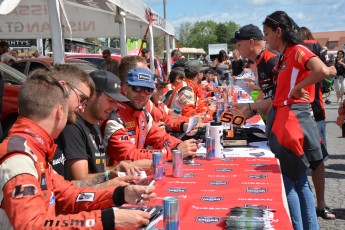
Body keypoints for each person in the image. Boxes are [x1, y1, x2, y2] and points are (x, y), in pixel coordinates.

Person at [0, 70, 156, 229]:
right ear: (60, 111)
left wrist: (120, 194)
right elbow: (33, 226)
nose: (81, 108)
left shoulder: (34, 148)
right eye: (81, 100)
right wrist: (106, 220)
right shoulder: (20, 157)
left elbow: (68, 194)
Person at [263, 11, 337, 229]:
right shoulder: (287, 54)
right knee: (299, 181)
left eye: (267, 33)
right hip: (285, 119)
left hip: (291, 121)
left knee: (291, 183)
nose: (265, 38)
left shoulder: (297, 51)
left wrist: (298, 88)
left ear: (279, 31)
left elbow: (322, 70)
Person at [57, 69, 149, 181]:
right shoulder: (73, 126)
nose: (115, 108)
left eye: (116, 102)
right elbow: (81, 178)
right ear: (92, 96)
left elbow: (97, 169)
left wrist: (120, 168)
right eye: (110, 101)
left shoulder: (95, 123)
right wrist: (111, 173)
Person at [103, 58, 197, 165]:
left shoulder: (143, 113)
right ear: (124, 88)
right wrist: (173, 152)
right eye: (137, 88)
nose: (143, 94)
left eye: (148, 90)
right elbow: (129, 155)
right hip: (118, 178)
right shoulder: (113, 116)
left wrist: (180, 145)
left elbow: (160, 138)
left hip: (140, 175)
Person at [299, 26, 336, 220]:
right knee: (317, 161)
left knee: (312, 161)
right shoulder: (315, 47)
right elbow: (331, 70)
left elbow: (330, 70)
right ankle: (320, 204)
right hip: (313, 110)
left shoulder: (310, 48)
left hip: (309, 110)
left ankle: (311, 204)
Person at [230, 24, 279, 119]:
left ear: (251, 42)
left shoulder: (272, 61)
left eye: (239, 45)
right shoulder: (261, 61)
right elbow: (269, 97)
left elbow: (280, 99)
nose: (237, 49)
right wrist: (250, 109)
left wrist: (249, 107)